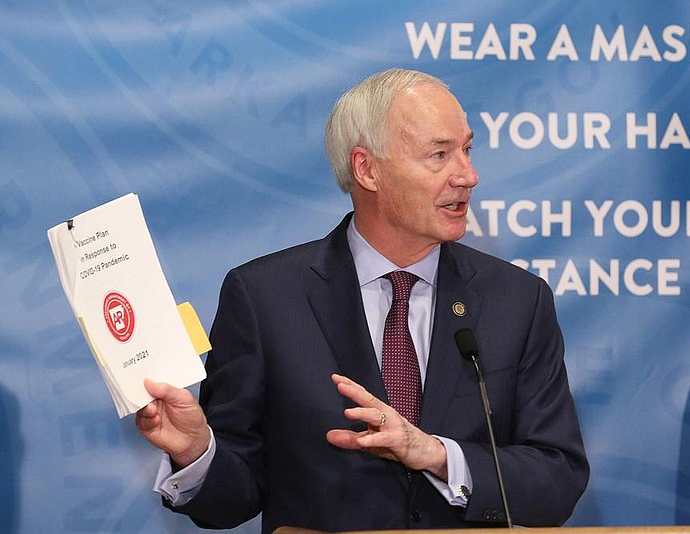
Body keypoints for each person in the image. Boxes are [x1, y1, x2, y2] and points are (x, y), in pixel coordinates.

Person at [136, 68, 589, 532]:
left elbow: (556, 480)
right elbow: (232, 500)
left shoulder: (517, 299)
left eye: (467, 150)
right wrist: (195, 451)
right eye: (440, 154)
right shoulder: (265, 298)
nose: (468, 175)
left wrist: (437, 456)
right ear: (366, 169)